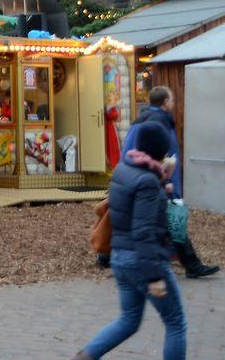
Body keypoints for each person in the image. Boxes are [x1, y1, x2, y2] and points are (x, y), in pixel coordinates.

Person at [75, 122, 187, 360]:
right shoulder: (147, 182)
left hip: (120, 257)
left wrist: (160, 178)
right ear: (159, 152)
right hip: (141, 262)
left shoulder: (125, 168)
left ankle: (85, 357)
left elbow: (132, 205)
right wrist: (155, 277)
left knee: (129, 320)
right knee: (175, 321)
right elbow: (144, 230)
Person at [120, 86, 220, 279]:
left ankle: (112, 256)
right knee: (171, 222)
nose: (173, 104)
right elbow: (156, 153)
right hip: (155, 179)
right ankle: (190, 265)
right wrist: (164, 179)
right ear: (165, 102)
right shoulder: (159, 123)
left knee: (161, 222)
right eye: (172, 100)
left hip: (139, 177)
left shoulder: (142, 119)